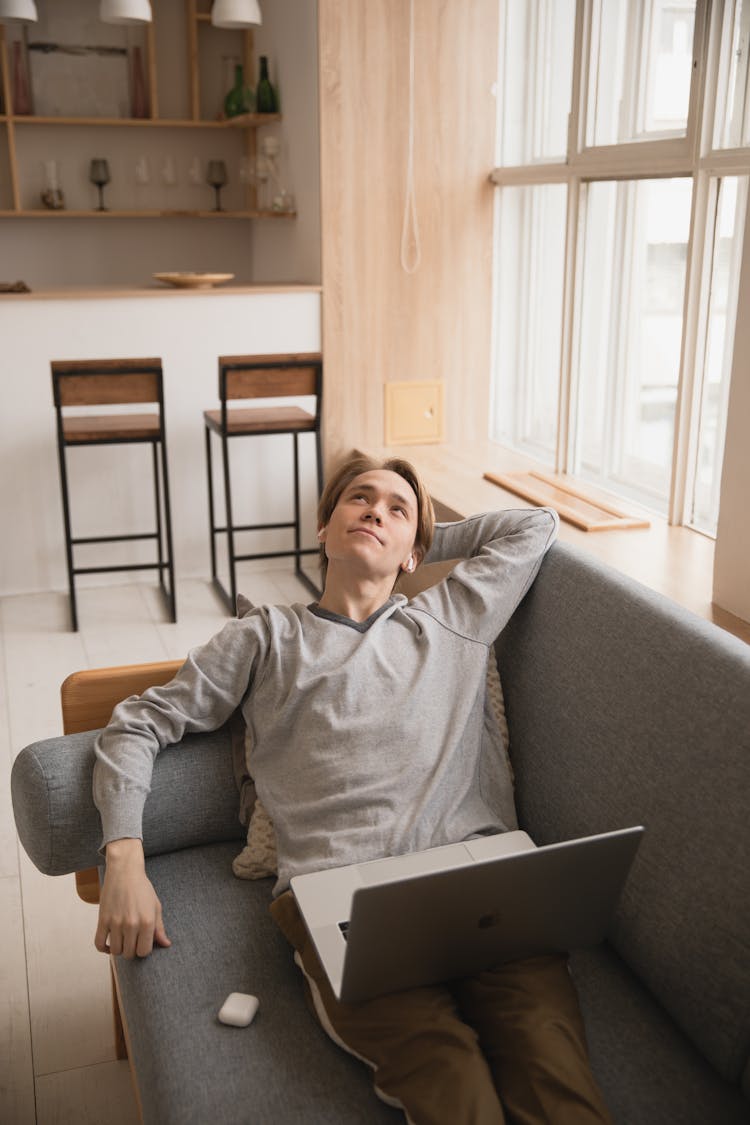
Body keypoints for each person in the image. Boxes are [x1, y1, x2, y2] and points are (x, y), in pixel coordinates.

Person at [93, 453, 612, 1125]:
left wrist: (419, 540)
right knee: (452, 1083)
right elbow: (136, 723)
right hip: (348, 901)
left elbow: (536, 525)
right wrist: (124, 861)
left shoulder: (450, 617)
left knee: (559, 1083)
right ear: (322, 527)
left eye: (395, 507)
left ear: (414, 552)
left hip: (486, 886)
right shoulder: (266, 636)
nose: (375, 510)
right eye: (358, 500)